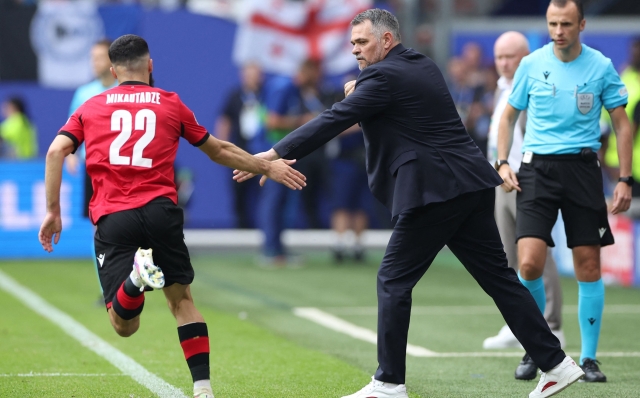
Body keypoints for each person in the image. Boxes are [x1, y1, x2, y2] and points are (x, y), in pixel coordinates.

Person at [235, 9, 583, 398]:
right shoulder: (420, 64)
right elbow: (374, 109)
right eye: (352, 44)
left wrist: (270, 154)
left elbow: (334, 119)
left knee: (393, 279)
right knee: (499, 280)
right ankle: (557, 364)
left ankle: (388, 383)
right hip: (468, 185)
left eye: (362, 42)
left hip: (435, 192)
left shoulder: (383, 76)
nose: (355, 50)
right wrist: (360, 86)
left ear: (386, 40)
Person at [38, 34, 306, 398]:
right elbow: (219, 149)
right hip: (161, 212)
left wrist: (53, 211)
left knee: (123, 326)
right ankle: (203, 388)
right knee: (182, 301)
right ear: (149, 66)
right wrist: (265, 166)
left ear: (113, 71)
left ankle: (135, 280)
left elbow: (56, 152)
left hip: (114, 215)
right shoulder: (169, 102)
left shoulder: (91, 106)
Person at [497, 0, 633, 384]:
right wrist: (501, 161)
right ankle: (536, 348)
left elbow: (623, 126)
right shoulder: (531, 64)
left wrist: (625, 179)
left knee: (588, 265)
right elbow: (507, 117)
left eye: (566, 24)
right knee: (528, 264)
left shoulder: (601, 67)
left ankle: (589, 359)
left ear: (582, 24)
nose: (559, 30)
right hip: (536, 169)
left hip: (582, 170)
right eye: (553, 23)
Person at [484, 31, 567, 378]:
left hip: (525, 181)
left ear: (525, 56)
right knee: (509, 257)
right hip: (500, 180)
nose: (504, 63)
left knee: (537, 257)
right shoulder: (502, 87)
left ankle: (551, 324)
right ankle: (520, 324)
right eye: (499, 56)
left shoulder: (533, 86)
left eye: (510, 56)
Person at [256, 59, 319, 264]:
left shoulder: (296, 90)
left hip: (284, 152)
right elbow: (272, 121)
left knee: (282, 201)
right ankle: (270, 251)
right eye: (317, 72)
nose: (319, 77)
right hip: (272, 152)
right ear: (308, 70)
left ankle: (278, 249)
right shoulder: (283, 87)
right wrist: (303, 121)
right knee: (273, 200)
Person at [214, 62, 266, 228]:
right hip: (239, 151)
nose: (252, 79)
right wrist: (220, 147)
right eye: (249, 75)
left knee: (264, 192)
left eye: (256, 75)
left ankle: (265, 228)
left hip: (264, 150)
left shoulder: (267, 95)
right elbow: (225, 121)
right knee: (239, 193)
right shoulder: (235, 96)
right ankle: (241, 228)